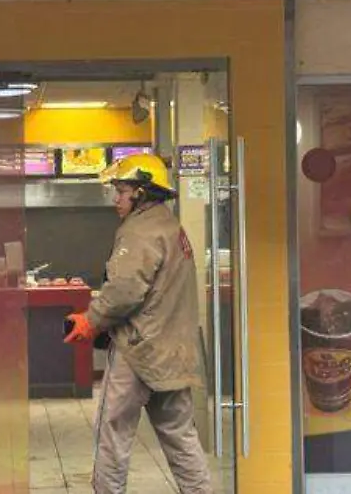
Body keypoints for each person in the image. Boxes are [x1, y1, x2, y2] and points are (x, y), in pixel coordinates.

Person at [63, 154, 214, 494]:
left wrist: (91, 319)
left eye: (122, 191)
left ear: (143, 192)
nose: (116, 199)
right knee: (180, 434)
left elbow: (124, 291)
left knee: (113, 434)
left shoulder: (138, 230)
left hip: (138, 351)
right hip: (173, 352)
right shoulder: (172, 228)